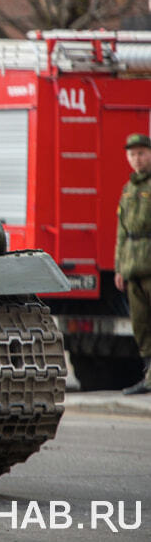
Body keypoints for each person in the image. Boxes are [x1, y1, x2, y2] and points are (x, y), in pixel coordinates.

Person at [115, 133, 151, 395]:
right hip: (132, 265)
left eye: (141, 153)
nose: (136, 159)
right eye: (132, 154)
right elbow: (121, 232)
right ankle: (148, 376)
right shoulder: (128, 189)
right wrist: (119, 267)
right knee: (141, 325)